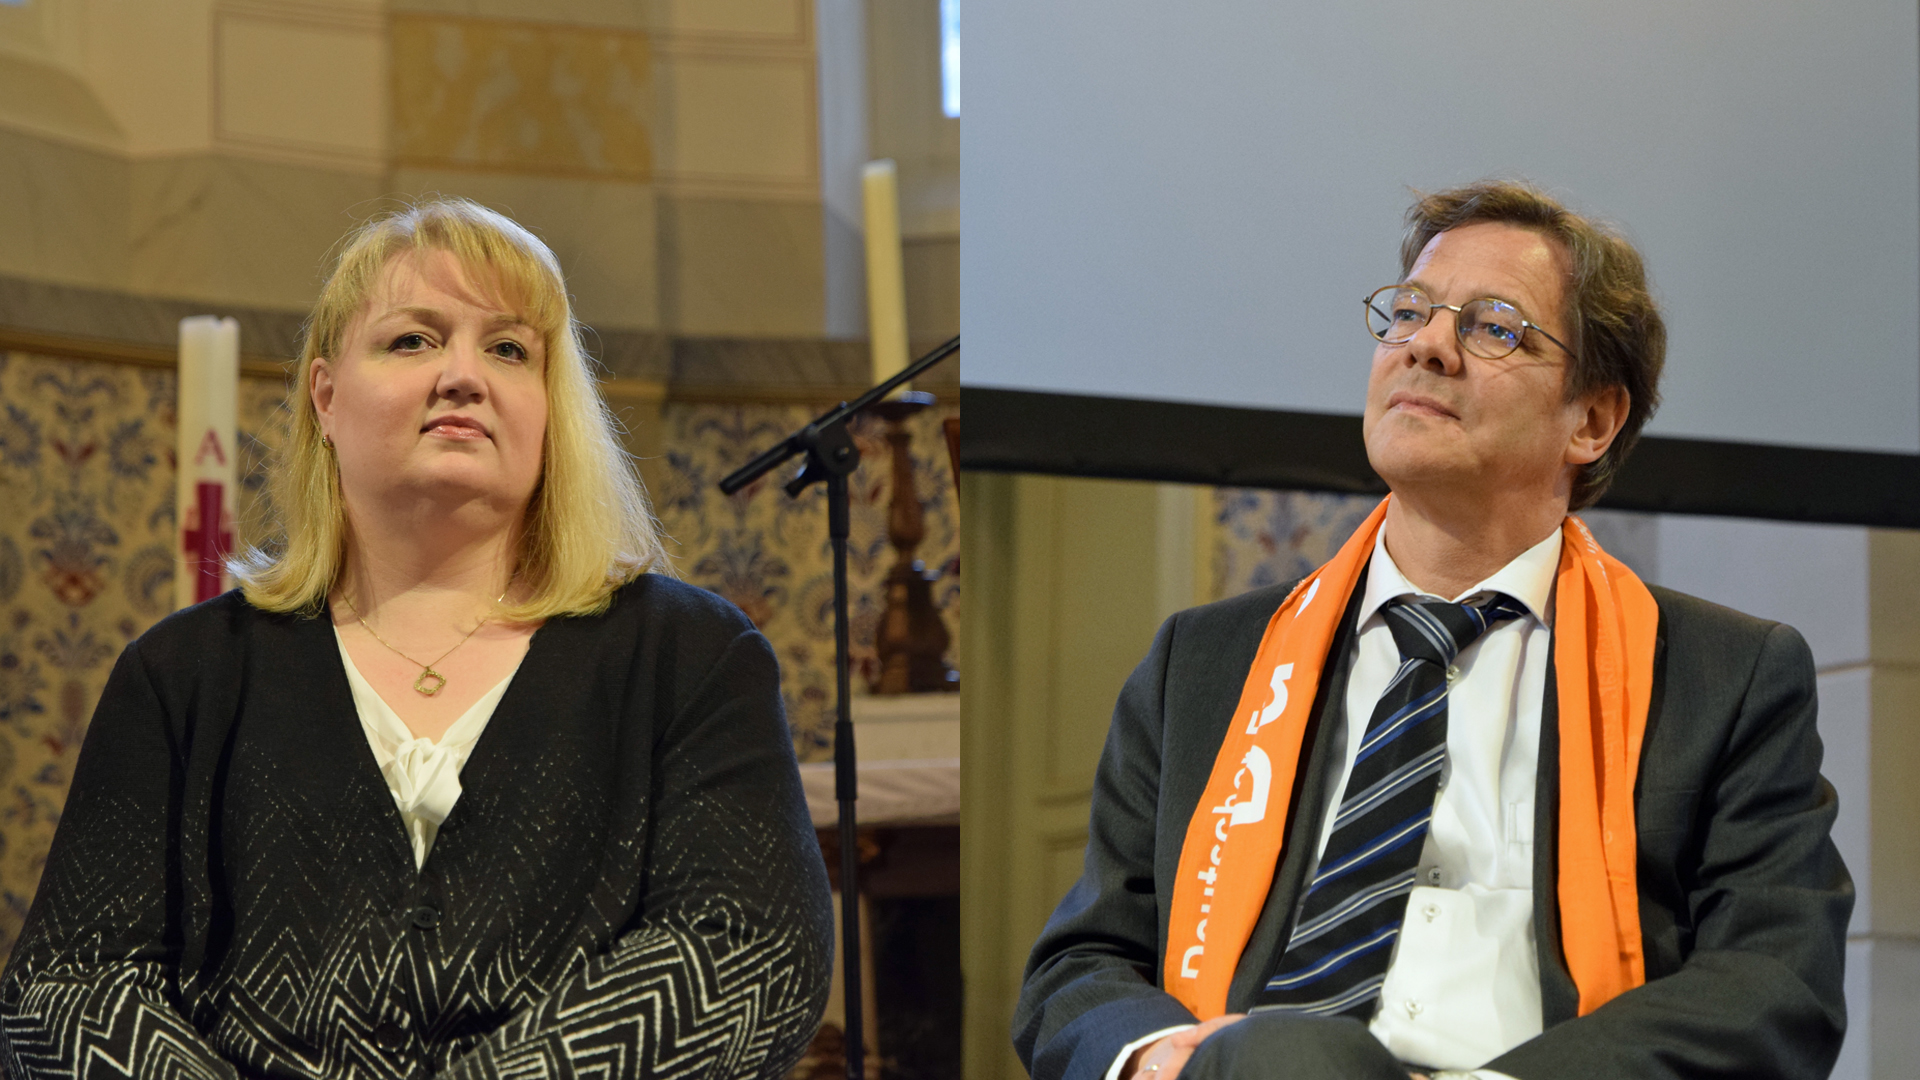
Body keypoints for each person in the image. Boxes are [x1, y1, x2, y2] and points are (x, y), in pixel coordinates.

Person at [1012, 181, 1852, 1080]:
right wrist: (1158, 1060)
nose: (1427, 346)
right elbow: (1079, 965)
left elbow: (1774, 979)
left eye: (1495, 327)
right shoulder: (1205, 663)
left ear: (1593, 419)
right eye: (1409, 311)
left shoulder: (1723, 677)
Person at [0, 199, 834, 1079]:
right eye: (413, 341)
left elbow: (752, 951)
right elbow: (67, 988)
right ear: (326, 396)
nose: (464, 377)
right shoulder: (185, 674)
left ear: (549, 411)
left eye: (509, 349)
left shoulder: (690, 657)